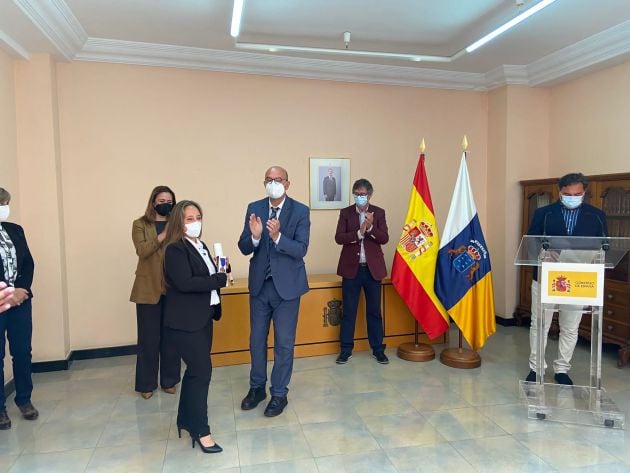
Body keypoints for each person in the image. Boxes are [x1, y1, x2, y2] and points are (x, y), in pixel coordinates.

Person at [238, 166, 310, 417]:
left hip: (287, 289)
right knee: (256, 340)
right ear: (263, 183)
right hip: (260, 287)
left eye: (277, 180)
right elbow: (243, 246)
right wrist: (255, 238)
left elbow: (301, 249)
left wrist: (278, 237)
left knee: (284, 343)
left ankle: (279, 393)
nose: (273, 183)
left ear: (287, 184)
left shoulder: (300, 211)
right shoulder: (254, 208)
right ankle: (257, 388)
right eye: (268, 180)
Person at [525, 173, 608, 385]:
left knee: (570, 326)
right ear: (559, 192)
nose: (572, 197)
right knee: (540, 323)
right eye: (567, 194)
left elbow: (604, 246)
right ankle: (536, 368)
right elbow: (531, 241)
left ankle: (562, 369)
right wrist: (543, 254)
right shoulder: (544, 213)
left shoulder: (596, 216)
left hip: (579, 279)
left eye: (577, 194)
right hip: (547, 276)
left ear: (584, 193)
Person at [163, 200, 227, 453]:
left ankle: (187, 421)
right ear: (179, 222)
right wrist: (217, 279)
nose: (195, 222)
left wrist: (221, 270)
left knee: (195, 373)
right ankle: (202, 430)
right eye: (189, 218)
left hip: (203, 317)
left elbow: (207, 276)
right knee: (202, 373)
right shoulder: (174, 249)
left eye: (198, 217)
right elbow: (186, 283)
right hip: (185, 322)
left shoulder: (200, 246)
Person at [130, 186, 181, 400]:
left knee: (171, 337)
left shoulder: (178, 225)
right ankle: (146, 383)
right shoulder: (140, 224)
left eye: (169, 200)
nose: (165, 203)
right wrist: (162, 236)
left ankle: (169, 381)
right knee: (148, 339)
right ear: (153, 202)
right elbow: (142, 251)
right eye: (161, 200)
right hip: (147, 289)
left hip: (173, 289)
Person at [334, 179, 390, 365]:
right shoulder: (346, 213)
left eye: (363, 194)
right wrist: (359, 233)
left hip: (372, 271)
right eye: (356, 194)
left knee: (374, 311)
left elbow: (384, 238)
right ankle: (345, 350)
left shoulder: (379, 213)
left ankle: (377, 349)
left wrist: (371, 227)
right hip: (352, 270)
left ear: (370, 195)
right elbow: (339, 238)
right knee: (349, 312)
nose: (359, 197)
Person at [0, 188, 38, 430]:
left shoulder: (15, 230)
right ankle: (0, 410)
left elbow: (28, 262)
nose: (6, 207)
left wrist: (21, 289)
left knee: (23, 351)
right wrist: (6, 294)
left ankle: (24, 399)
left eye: (7, 203)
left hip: (20, 302)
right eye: (3, 203)